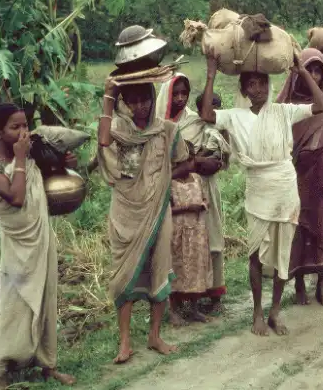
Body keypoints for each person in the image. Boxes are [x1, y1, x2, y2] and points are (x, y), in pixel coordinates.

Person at [199, 47, 323, 336]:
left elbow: (320, 106)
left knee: (283, 251)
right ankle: (257, 312)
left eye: (263, 84)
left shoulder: (283, 112)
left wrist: (302, 71)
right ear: (244, 89)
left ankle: (275, 312)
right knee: (255, 253)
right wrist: (210, 74)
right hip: (257, 188)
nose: (258, 89)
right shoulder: (235, 116)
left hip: (284, 187)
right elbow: (206, 113)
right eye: (252, 85)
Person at [0, 103, 76, 390]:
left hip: (41, 240)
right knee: (13, 303)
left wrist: (64, 160)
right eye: (15, 127)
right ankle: (3, 368)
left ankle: (47, 364)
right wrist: (21, 158)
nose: (23, 132)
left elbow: (57, 178)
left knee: (46, 298)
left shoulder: (33, 155)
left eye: (25, 125)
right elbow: (17, 198)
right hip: (16, 245)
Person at [97, 80, 192, 362]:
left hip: (158, 212)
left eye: (145, 99)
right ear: (124, 102)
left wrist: (165, 179)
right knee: (123, 275)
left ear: (152, 97)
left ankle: (155, 336)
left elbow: (187, 163)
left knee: (160, 268)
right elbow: (103, 142)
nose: (140, 106)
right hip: (125, 212)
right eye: (133, 100)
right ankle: (125, 342)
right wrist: (108, 95)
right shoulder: (117, 130)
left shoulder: (167, 131)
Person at [276, 48, 323, 306]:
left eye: (318, 70)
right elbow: (272, 115)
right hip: (296, 173)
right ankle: (300, 285)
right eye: (309, 69)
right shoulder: (289, 104)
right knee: (299, 227)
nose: (314, 76)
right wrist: (292, 77)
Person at [157, 74, 231, 315]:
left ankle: (212, 292)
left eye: (184, 93)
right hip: (169, 191)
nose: (180, 98)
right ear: (166, 95)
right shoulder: (156, 124)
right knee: (175, 243)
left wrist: (202, 162)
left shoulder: (196, 120)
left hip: (202, 187)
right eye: (175, 93)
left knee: (210, 237)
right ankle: (177, 299)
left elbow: (218, 153)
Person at [168, 150, 213, 326]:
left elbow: (204, 198)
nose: (190, 165)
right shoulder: (170, 183)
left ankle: (194, 309)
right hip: (178, 231)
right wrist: (188, 207)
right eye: (185, 162)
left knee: (196, 268)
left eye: (191, 160)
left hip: (197, 231)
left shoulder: (197, 178)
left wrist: (203, 204)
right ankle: (173, 310)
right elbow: (165, 210)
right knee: (177, 268)